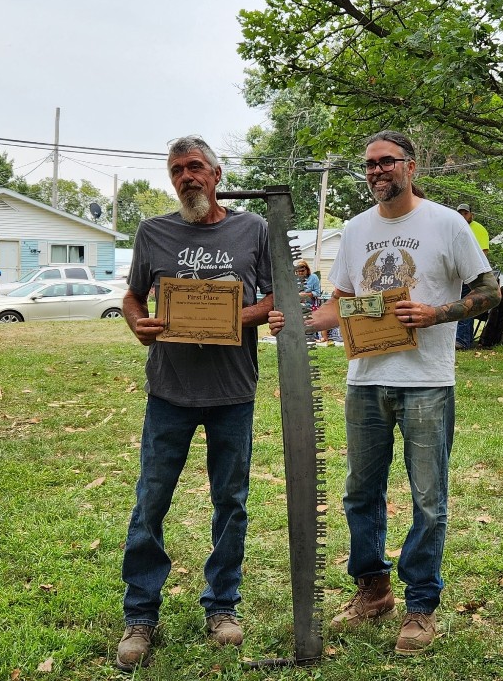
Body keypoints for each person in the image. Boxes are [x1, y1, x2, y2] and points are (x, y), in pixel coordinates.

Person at [307, 130, 500, 655]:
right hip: (365, 379)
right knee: (360, 493)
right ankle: (373, 592)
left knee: (428, 500)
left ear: (410, 167)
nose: (377, 171)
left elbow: (489, 291)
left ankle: (421, 606)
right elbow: (340, 301)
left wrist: (438, 313)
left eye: (387, 162)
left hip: (427, 382)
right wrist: (301, 322)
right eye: (370, 164)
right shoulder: (355, 229)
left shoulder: (447, 223)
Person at [116, 135, 285, 672]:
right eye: (176, 170)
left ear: (216, 174)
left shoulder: (253, 229)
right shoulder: (153, 231)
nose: (186, 177)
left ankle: (223, 605)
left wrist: (226, 318)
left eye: (195, 167)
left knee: (230, 502)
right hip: (169, 391)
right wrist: (137, 323)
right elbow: (132, 295)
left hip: (232, 392)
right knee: (151, 502)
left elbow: (274, 297)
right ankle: (140, 614)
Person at [455, 203, 490, 350]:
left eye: (465, 213)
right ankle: (465, 340)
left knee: (465, 306)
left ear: (471, 215)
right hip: (456, 275)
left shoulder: (478, 229)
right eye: (460, 213)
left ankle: (462, 341)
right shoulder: (454, 228)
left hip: (471, 275)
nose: (463, 216)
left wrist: (471, 271)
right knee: (460, 306)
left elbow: (483, 253)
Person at [295, 259, 331, 345]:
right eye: (298, 271)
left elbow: (317, 293)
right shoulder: (295, 280)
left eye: (302, 271)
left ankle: (316, 336)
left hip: (311, 304)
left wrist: (306, 295)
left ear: (307, 270)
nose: (300, 273)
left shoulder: (313, 278)